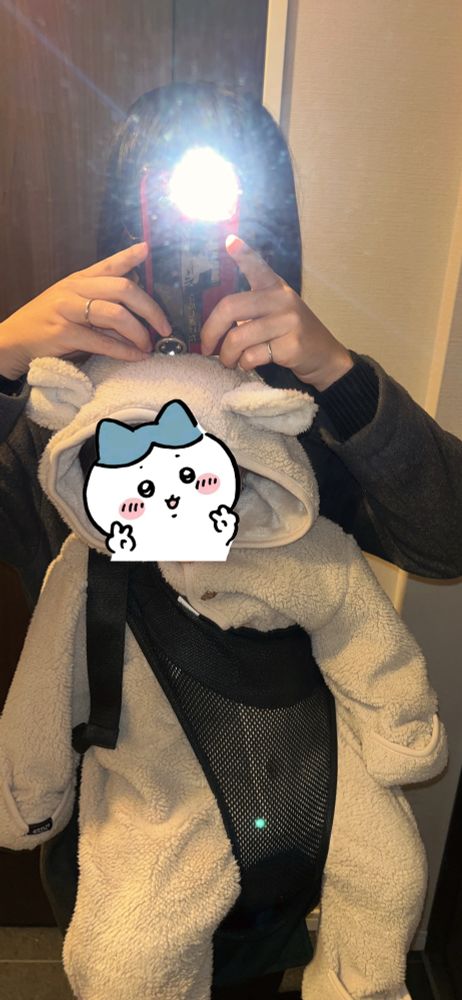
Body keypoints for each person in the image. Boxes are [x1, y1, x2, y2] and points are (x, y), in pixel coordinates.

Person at [0, 81, 461, 999]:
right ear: (123, 221)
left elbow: (448, 541)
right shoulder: (65, 418)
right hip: (124, 840)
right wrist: (5, 357)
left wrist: (340, 377)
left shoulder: (295, 404)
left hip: (280, 833)